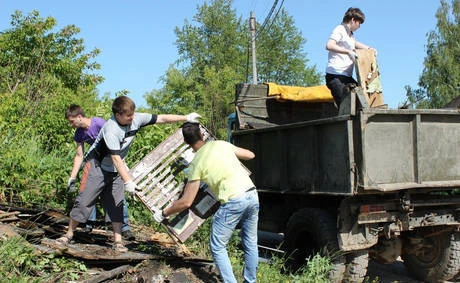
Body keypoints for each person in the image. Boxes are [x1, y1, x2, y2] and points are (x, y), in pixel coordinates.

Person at [57, 96, 201, 252]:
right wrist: (129, 182)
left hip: (116, 169)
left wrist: (186, 117)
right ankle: (69, 234)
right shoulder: (111, 129)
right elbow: (116, 158)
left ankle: (118, 242)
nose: (132, 118)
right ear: (118, 115)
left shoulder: (136, 118)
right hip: (96, 166)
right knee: (84, 201)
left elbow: (161, 118)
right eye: (128, 115)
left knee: (116, 203)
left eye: (133, 114)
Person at [154, 122, 259, 283]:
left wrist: (163, 213)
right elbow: (251, 155)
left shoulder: (196, 164)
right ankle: (250, 281)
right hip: (252, 194)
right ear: (202, 135)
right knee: (251, 242)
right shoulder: (221, 144)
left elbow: (186, 202)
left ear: (186, 142)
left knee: (217, 246)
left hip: (233, 200)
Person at [65, 104, 135, 240]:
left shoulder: (98, 124)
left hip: (114, 161)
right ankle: (88, 224)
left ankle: (125, 228)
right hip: (96, 163)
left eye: (72, 121)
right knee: (88, 193)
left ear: (79, 117)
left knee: (117, 197)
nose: (71, 125)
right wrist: (72, 177)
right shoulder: (79, 133)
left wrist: (121, 163)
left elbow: (117, 139)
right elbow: (79, 156)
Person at [325, 7, 376, 108]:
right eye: (359, 23)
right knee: (346, 107)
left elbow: (354, 43)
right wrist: (348, 52)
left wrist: (369, 49)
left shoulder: (350, 35)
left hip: (346, 77)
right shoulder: (339, 29)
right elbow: (329, 45)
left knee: (362, 102)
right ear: (353, 20)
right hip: (336, 77)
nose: (359, 26)